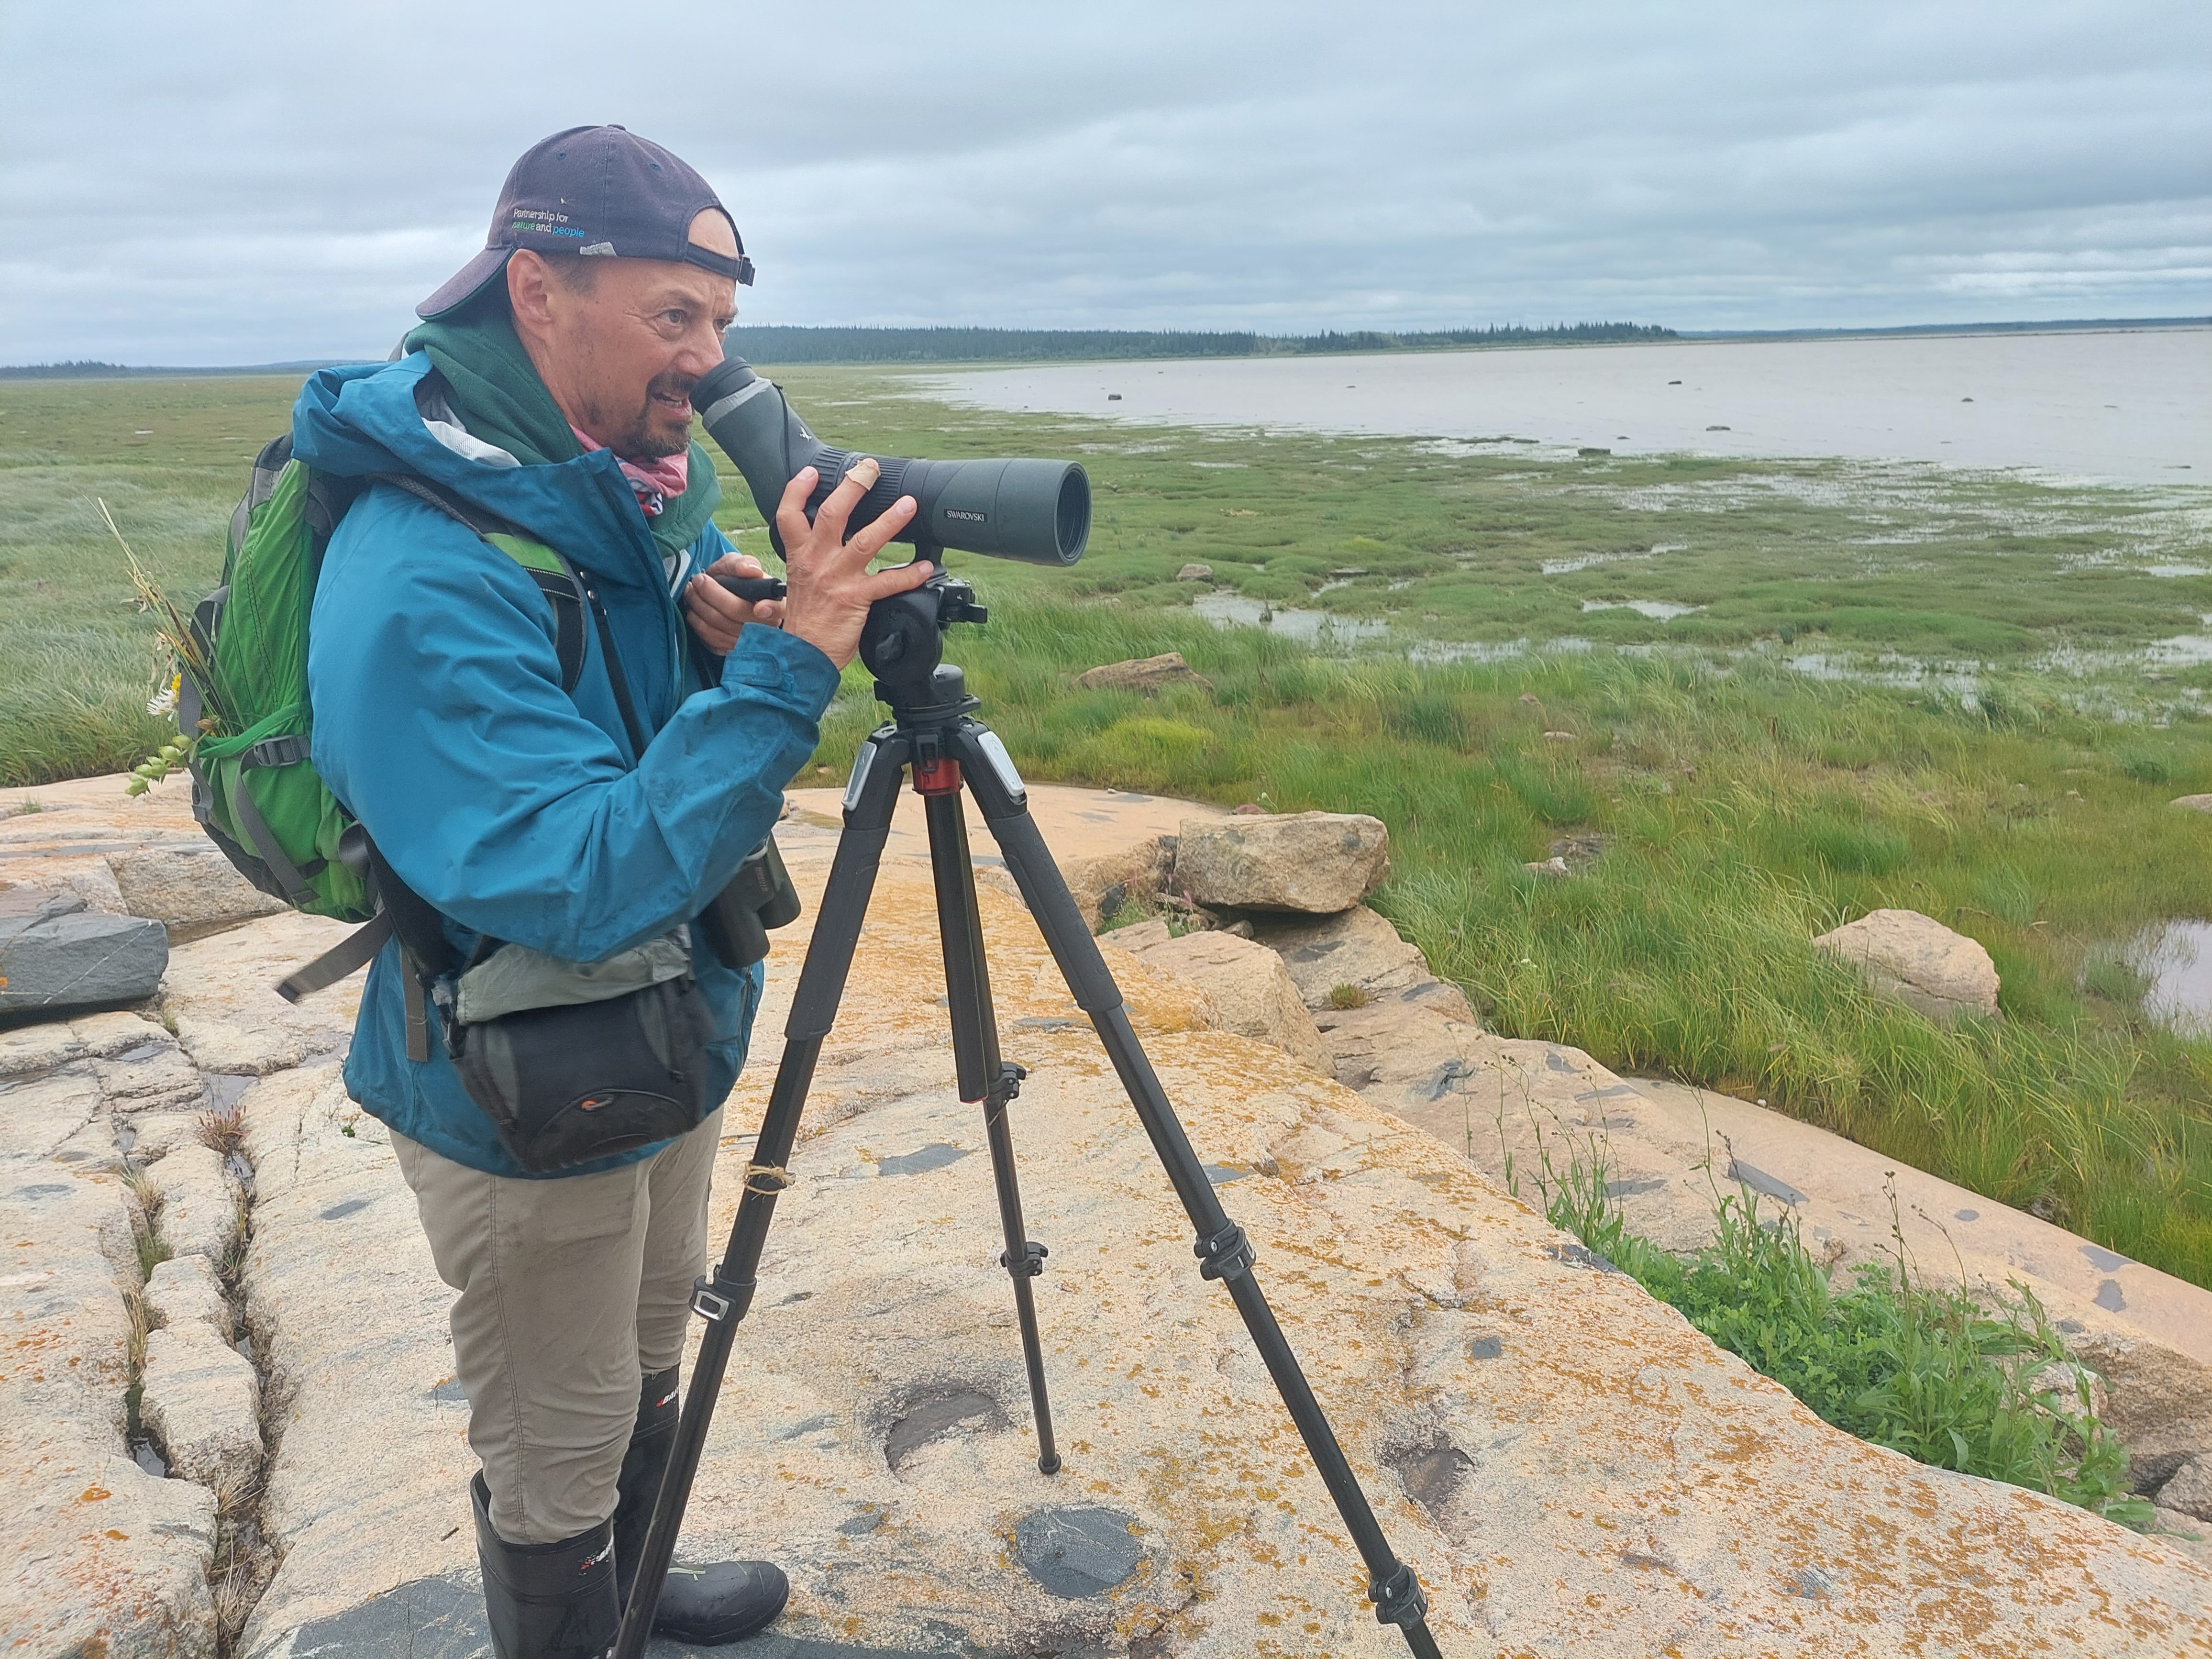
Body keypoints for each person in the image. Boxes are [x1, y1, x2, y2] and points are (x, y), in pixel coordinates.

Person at [297, 126, 932, 1659]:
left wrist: (712, 637)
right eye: (673, 316)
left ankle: (639, 1584)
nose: (709, 360)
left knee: (654, 1333)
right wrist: (789, 670)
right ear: (538, 291)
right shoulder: (424, 566)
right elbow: (577, 875)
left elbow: (624, 738)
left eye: (721, 321)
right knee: (559, 1426)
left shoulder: (619, 491)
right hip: (518, 1079)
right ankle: (576, 1620)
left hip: (656, 1028)